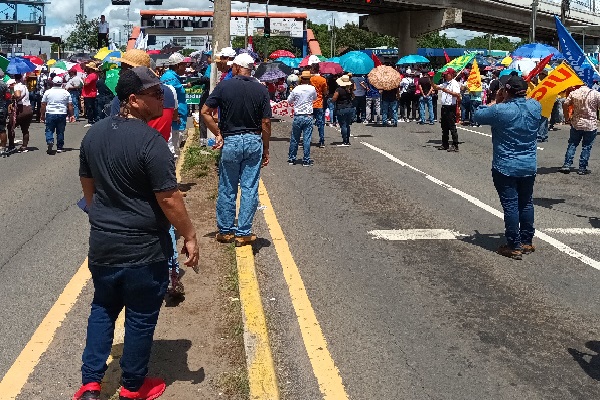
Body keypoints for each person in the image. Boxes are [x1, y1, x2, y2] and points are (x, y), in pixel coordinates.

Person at [73, 66, 199, 400]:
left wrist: (100, 214)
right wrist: (189, 234)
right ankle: (132, 386)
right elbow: (169, 198)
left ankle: (90, 384)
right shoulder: (151, 142)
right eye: (155, 94)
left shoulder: (94, 135)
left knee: (103, 308)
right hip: (143, 248)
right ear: (133, 100)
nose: (162, 97)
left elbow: (88, 185)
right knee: (141, 317)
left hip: (103, 244)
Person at [200, 53, 271, 247]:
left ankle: (225, 231)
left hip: (230, 140)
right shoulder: (261, 90)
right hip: (253, 140)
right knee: (249, 188)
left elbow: (205, 112)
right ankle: (243, 232)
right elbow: (265, 122)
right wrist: (266, 148)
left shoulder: (224, 86)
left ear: (238, 68)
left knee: (227, 186)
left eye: (233, 67)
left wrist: (218, 133)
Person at [473, 72, 541, 260]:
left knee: (511, 205)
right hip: (528, 164)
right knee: (526, 202)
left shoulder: (500, 110)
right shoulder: (535, 106)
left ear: (506, 90)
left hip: (506, 165)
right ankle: (527, 240)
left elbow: (477, 115)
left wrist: (497, 100)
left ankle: (514, 244)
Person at [558, 83, 600, 175]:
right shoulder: (596, 93)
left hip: (576, 123)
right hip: (590, 125)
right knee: (587, 146)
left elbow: (565, 104)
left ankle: (566, 165)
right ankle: (582, 168)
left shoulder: (574, 93)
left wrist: (566, 118)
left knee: (572, 144)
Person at [160, 52, 188, 158]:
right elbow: (170, 98)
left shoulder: (172, 77)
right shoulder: (170, 79)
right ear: (177, 65)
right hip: (174, 119)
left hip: (175, 117)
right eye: (184, 65)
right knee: (173, 149)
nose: (186, 67)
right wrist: (174, 115)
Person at [287, 70, 317, 165]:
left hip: (298, 115)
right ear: (309, 79)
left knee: (295, 138)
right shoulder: (312, 88)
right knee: (306, 139)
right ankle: (306, 160)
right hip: (308, 115)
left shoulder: (296, 89)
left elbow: (289, 101)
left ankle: (292, 158)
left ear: (301, 78)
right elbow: (315, 98)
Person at [40, 76, 74, 154]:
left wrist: (42, 114)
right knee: (60, 131)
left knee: (49, 129)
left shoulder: (48, 92)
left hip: (50, 112)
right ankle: (59, 147)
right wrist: (71, 115)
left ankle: (50, 140)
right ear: (61, 83)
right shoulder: (66, 92)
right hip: (62, 113)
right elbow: (70, 105)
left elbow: (43, 104)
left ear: (53, 83)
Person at [432, 68, 461, 152]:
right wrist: (431, 79)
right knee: (444, 126)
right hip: (444, 106)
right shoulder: (445, 83)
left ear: (451, 75)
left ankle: (455, 145)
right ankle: (445, 144)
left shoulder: (454, 83)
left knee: (451, 126)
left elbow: (457, 94)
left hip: (450, 107)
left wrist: (447, 91)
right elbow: (436, 87)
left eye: (446, 74)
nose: (445, 75)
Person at [7, 74, 33, 152]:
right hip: (28, 108)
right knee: (25, 129)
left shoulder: (17, 86)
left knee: (10, 127)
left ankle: (11, 145)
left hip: (21, 109)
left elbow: (18, 95)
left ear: (15, 79)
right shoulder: (25, 86)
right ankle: (24, 146)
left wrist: (13, 96)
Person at [332, 74, 355, 145]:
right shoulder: (349, 90)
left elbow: (334, 98)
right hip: (350, 107)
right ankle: (347, 140)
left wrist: (332, 100)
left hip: (341, 108)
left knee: (343, 125)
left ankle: (345, 140)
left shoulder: (339, 89)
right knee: (347, 125)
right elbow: (353, 97)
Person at [309, 62, 328, 148]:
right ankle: (322, 140)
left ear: (312, 69)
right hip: (319, 103)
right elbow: (325, 92)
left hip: (310, 103)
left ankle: (307, 140)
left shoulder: (309, 79)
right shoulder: (322, 79)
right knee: (321, 123)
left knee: (309, 123)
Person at [82, 62, 99, 127]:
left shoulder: (91, 75)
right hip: (91, 93)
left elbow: (86, 83)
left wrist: (83, 79)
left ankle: (90, 120)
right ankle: (92, 119)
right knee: (92, 107)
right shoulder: (94, 75)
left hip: (89, 94)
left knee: (89, 107)